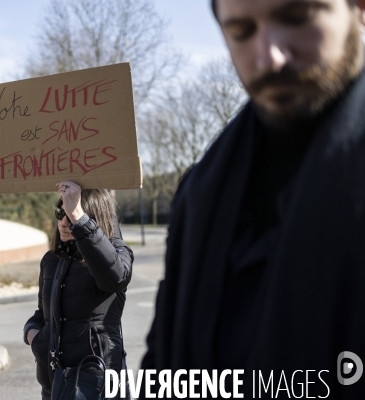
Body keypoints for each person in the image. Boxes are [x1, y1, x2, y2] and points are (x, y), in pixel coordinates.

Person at [141, 0, 365, 398]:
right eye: (242, 32)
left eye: (297, 18)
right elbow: (162, 365)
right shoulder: (200, 193)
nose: (270, 56)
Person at [24, 181, 133, 399]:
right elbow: (43, 313)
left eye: (71, 215)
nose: (64, 222)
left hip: (96, 384)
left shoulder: (116, 255)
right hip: (54, 383)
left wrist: (80, 219)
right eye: (61, 212)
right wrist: (32, 334)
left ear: (93, 219)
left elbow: (116, 277)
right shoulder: (51, 260)